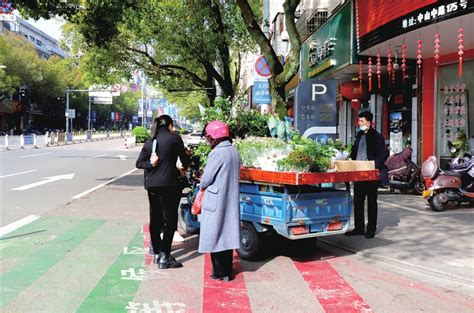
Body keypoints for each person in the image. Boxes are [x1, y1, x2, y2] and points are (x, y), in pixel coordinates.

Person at [136, 115, 190, 269]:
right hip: (169, 184)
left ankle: (157, 252)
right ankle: (165, 256)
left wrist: (151, 164)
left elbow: (139, 163)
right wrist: (186, 161)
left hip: (152, 185)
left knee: (156, 219)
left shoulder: (151, 140)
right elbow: (185, 161)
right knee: (170, 219)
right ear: (170, 125)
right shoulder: (174, 138)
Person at [198, 121, 241, 282]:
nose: (208, 140)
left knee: (214, 235)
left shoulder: (217, 153)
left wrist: (201, 182)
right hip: (230, 197)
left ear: (214, 137)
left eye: (208, 137)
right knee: (227, 234)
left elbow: (206, 179)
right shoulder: (233, 151)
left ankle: (218, 272)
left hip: (216, 199)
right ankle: (227, 271)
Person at [346, 111, 387, 239]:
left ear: (369, 122)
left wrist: (374, 165)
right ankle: (359, 228)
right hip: (358, 173)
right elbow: (354, 151)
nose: (360, 124)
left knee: (371, 202)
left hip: (370, 174)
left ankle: (371, 229)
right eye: (359, 121)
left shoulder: (377, 137)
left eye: (362, 121)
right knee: (358, 201)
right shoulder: (359, 135)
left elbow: (383, 154)